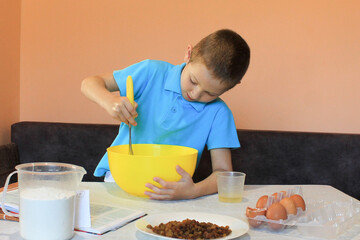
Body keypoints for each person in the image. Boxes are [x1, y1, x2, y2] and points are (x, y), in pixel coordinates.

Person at [81, 29, 250, 200]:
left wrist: (193, 191)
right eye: (193, 81)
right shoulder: (151, 72)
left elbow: (223, 172)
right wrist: (108, 101)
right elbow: (89, 83)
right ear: (188, 54)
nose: (196, 94)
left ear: (233, 86)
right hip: (119, 181)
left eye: (210, 93)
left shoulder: (219, 113)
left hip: (169, 193)